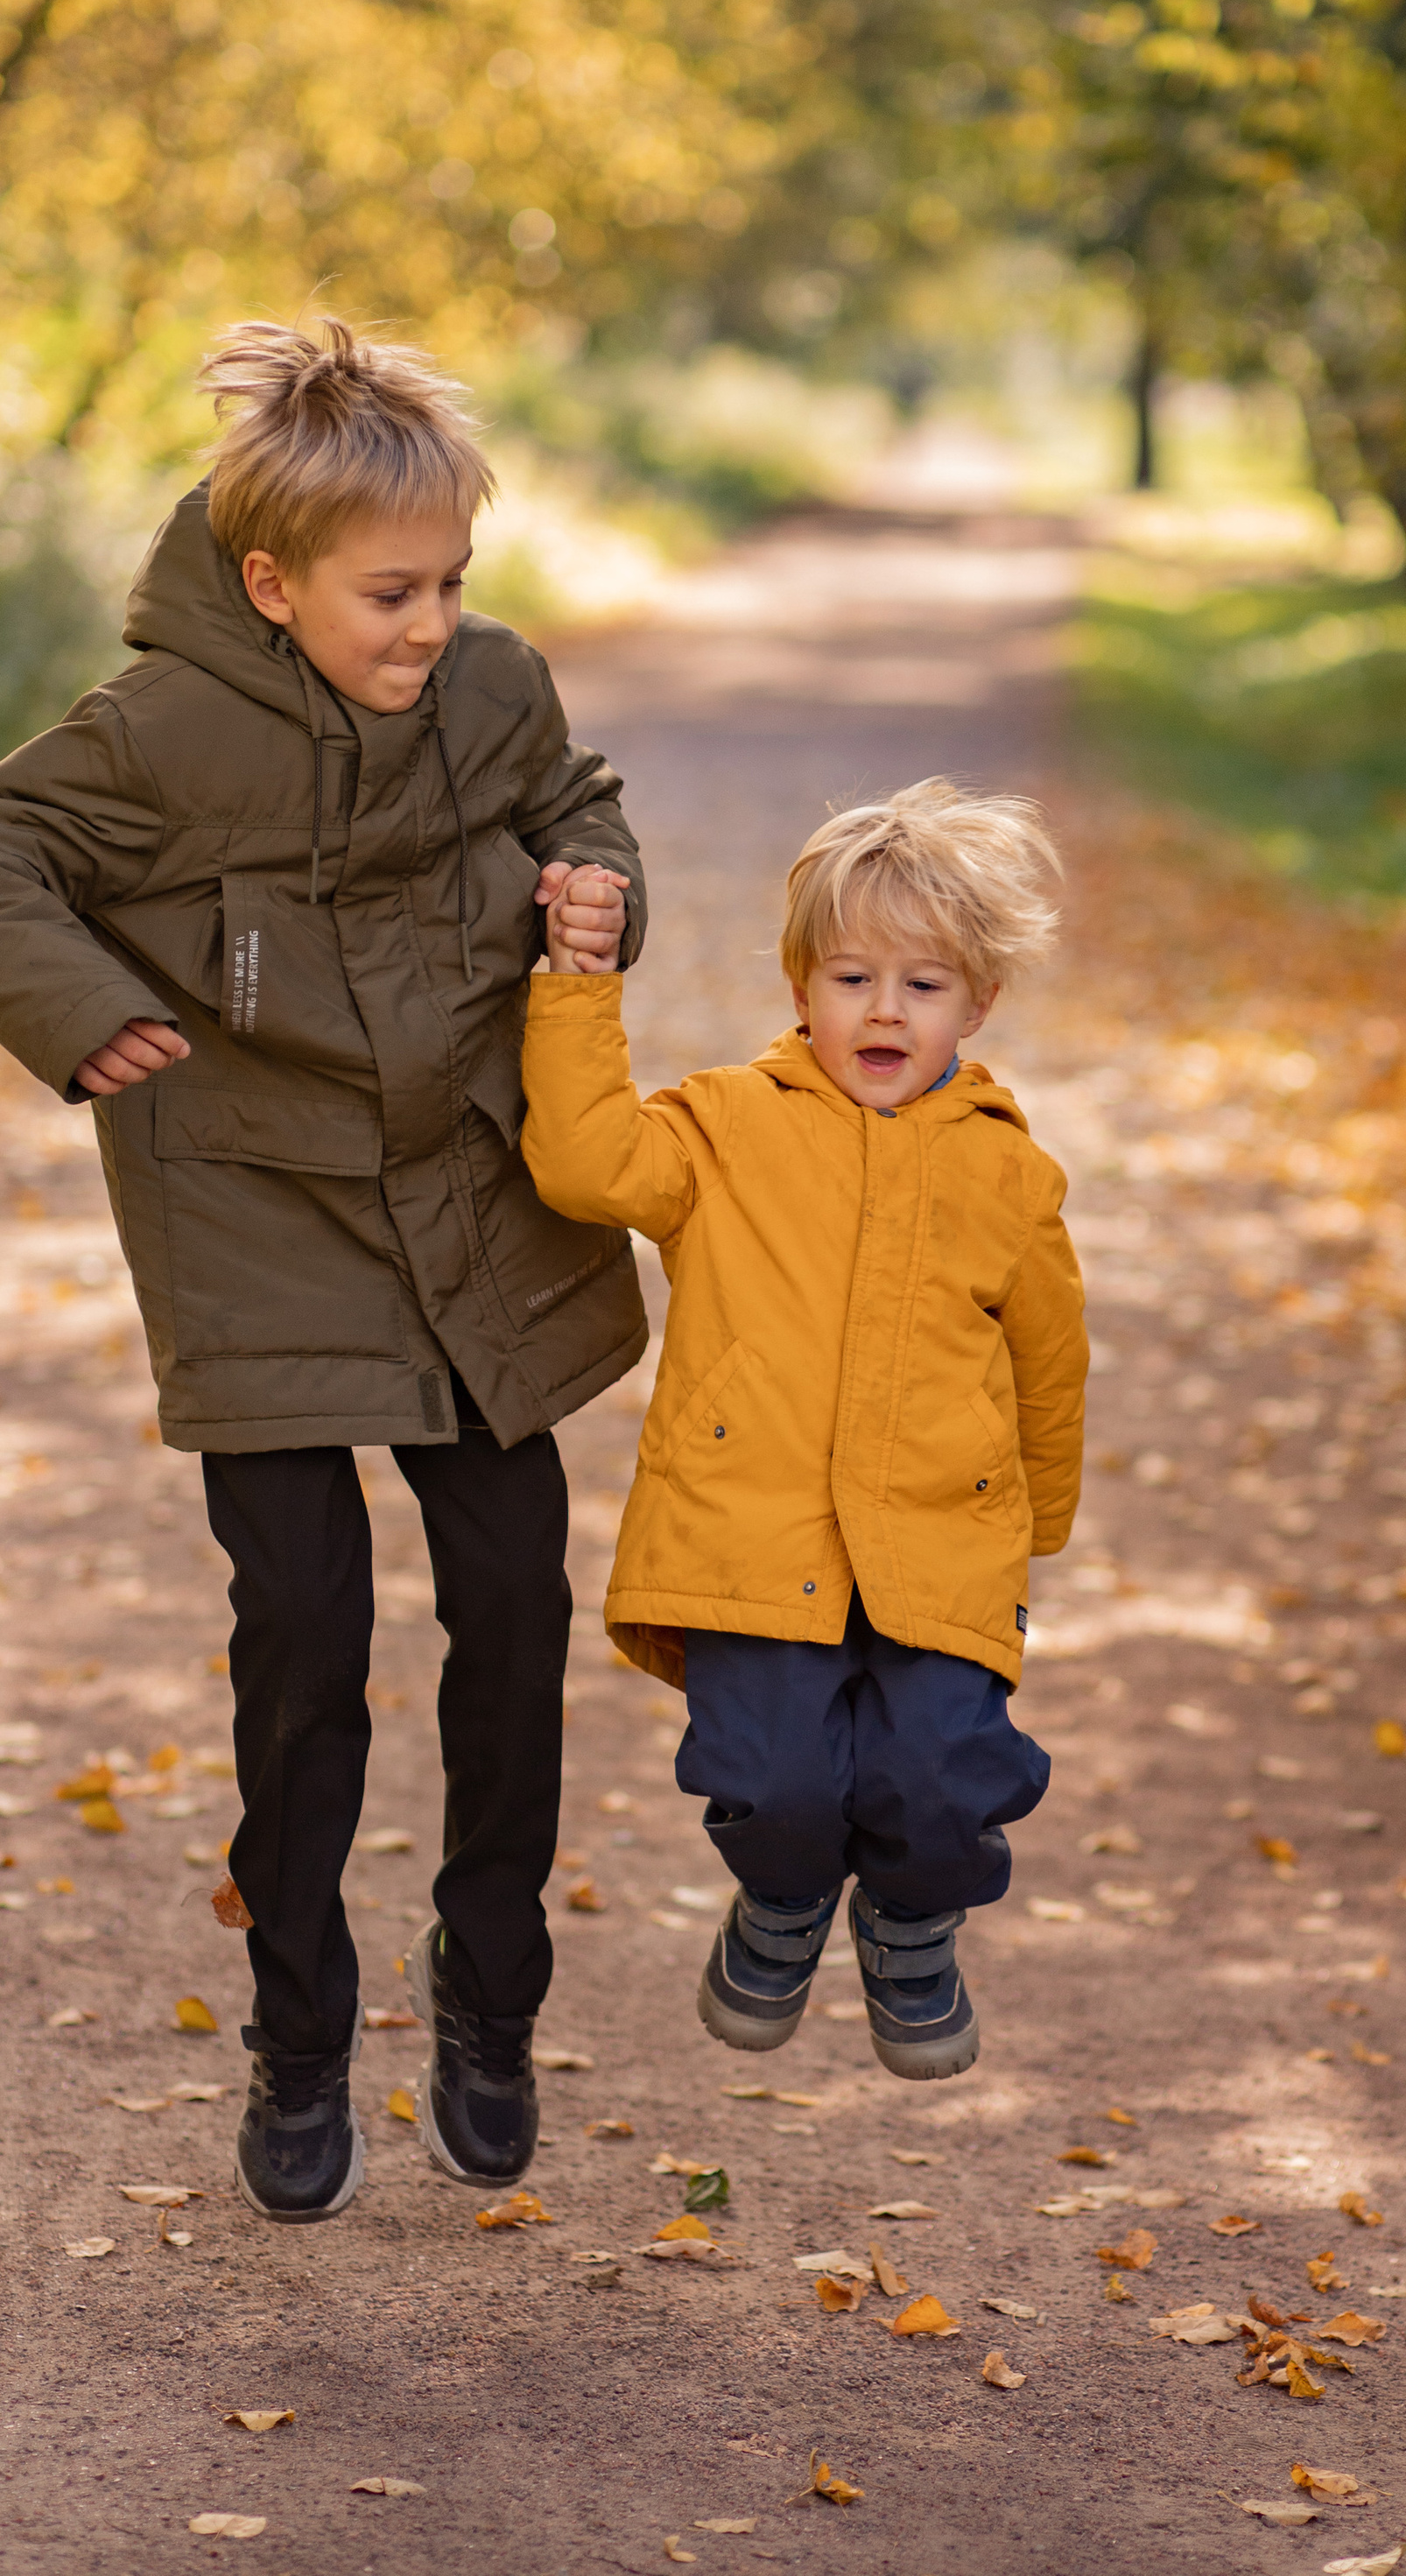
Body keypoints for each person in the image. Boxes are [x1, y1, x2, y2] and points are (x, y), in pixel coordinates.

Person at [0, 320, 649, 2220]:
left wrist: (599, 884)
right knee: (303, 1641)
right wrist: (79, 1018)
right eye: (390, 592)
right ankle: (296, 2029)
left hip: (467, 1215)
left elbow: (576, 797)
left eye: (451, 582)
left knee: (516, 1609)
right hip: (252, 1215)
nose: (430, 622)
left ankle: (490, 1997)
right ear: (270, 583)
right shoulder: (159, 733)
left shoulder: (490, 694)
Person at [524, 781, 1087, 2080]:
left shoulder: (1009, 1172)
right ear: (800, 984)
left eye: (927, 985)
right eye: (853, 976)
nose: (886, 1010)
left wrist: (1033, 1526)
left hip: (941, 1541)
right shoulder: (726, 1128)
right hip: (748, 1534)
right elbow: (587, 1163)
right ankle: (779, 1902)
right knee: (774, 1781)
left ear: (980, 1004)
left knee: (942, 1778)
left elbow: (1048, 1360)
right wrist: (575, 983)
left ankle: (911, 1919)